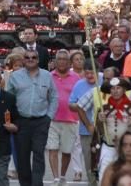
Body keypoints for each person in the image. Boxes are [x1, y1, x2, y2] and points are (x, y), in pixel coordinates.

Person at [5, 46, 57, 186]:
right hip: (21, 122)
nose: (30, 60)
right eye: (27, 58)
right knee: (22, 157)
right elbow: (8, 100)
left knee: (39, 154)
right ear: (23, 60)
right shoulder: (15, 76)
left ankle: (37, 183)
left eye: (33, 57)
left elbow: (53, 98)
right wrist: (11, 121)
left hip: (41, 122)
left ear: (38, 60)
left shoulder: (47, 76)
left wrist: (49, 117)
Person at [95, 78, 131, 180]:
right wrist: (100, 121)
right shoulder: (103, 109)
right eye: (113, 88)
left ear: (124, 90)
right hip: (108, 147)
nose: (115, 91)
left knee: (125, 176)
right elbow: (99, 131)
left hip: (125, 149)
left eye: (118, 88)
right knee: (104, 176)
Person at [46, 50, 79, 186]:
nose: (62, 61)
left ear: (69, 62)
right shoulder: (48, 76)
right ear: (55, 61)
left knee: (66, 151)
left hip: (70, 119)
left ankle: (63, 175)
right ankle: (55, 178)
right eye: (59, 59)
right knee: (52, 148)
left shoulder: (76, 78)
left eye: (65, 59)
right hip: (52, 119)